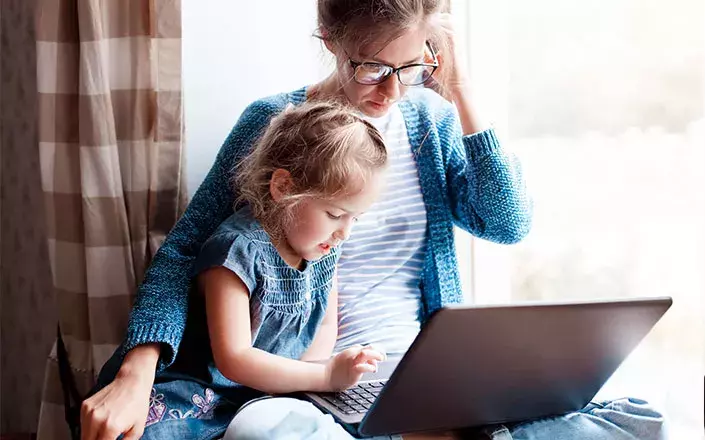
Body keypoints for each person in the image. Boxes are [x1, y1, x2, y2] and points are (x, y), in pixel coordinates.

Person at [80, 1, 667, 439]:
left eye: (410, 66)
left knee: (609, 425)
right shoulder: (277, 126)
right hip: (314, 388)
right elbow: (185, 251)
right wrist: (136, 372)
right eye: (372, 67)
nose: (390, 91)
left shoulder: (430, 121)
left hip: (426, 376)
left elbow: (507, 222)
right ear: (330, 39)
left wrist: (458, 90)